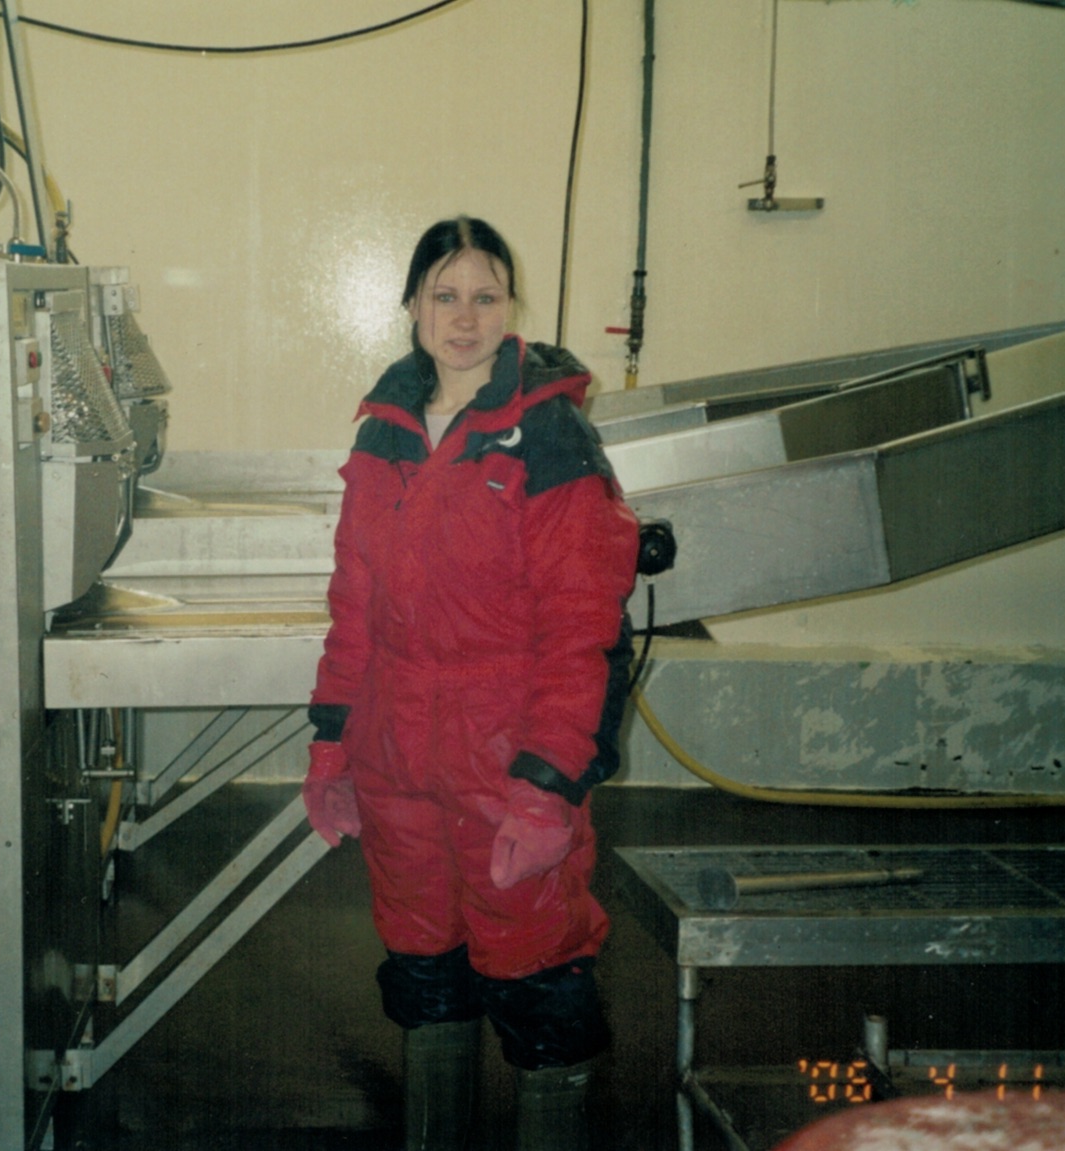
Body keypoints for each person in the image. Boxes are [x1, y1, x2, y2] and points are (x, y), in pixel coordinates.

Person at [303, 215, 640, 1151]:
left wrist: (549, 783)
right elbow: (355, 604)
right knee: (425, 976)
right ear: (411, 306)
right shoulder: (384, 433)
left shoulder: (548, 432)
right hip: (396, 759)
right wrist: (332, 741)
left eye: (485, 296)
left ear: (511, 307)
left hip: (506, 759)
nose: (464, 317)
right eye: (444, 295)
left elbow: (582, 624)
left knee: (538, 980)